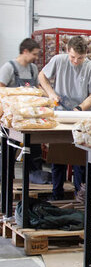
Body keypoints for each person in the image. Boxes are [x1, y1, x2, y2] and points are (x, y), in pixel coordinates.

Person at [39, 36, 91, 200]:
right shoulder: (58, 60)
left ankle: (80, 197)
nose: (76, 61)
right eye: (73, 57)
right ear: (67, 51)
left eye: (80, 58)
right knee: (57, 159)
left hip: (81, 118)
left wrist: (79, 108)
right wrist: (51, 93)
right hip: (60, 115)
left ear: (86, 53)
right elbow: (42, 76)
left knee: (80, 161)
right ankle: (56, 194)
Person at [0, 38, 50, 183]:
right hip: (12, 119)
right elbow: (1, 89)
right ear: (25, 51)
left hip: (30, 119)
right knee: (9, 152)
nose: (36, 58)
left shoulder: (33, 69)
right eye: (34, 54)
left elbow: (38, 88)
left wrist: (49, 97)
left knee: (34, 151)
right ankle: (7, 182)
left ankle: (34, 182)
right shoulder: (9, 68)